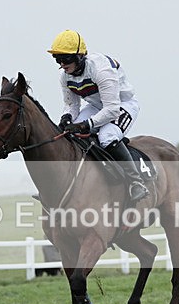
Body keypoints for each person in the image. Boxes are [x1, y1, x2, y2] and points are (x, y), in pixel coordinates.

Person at [47, 29, 149, 202]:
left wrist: (87, 124)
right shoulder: (65, 76)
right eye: (57, 59)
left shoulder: (101, 71)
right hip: (96, 106)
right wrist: (66, 118)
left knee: (107, 136)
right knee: (68, 135)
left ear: (79, 57)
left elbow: (111, 110)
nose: (62, 64)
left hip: (122, 105)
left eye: (65, 59)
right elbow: (71, 105)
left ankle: (136, 182)